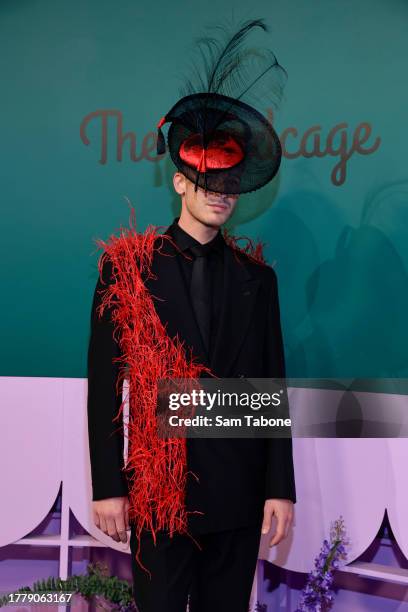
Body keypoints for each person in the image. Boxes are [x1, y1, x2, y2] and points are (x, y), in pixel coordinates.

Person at [87, 17, 296, 612]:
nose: (221, 193)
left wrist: (280, 490)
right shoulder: (126, 269)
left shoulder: (260, 280)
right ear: (180, 182)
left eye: (231, 183)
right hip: (159, 493)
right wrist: (109, 488)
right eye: (207, 181)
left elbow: (268, 387)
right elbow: (107, 389)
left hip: (237, 487)